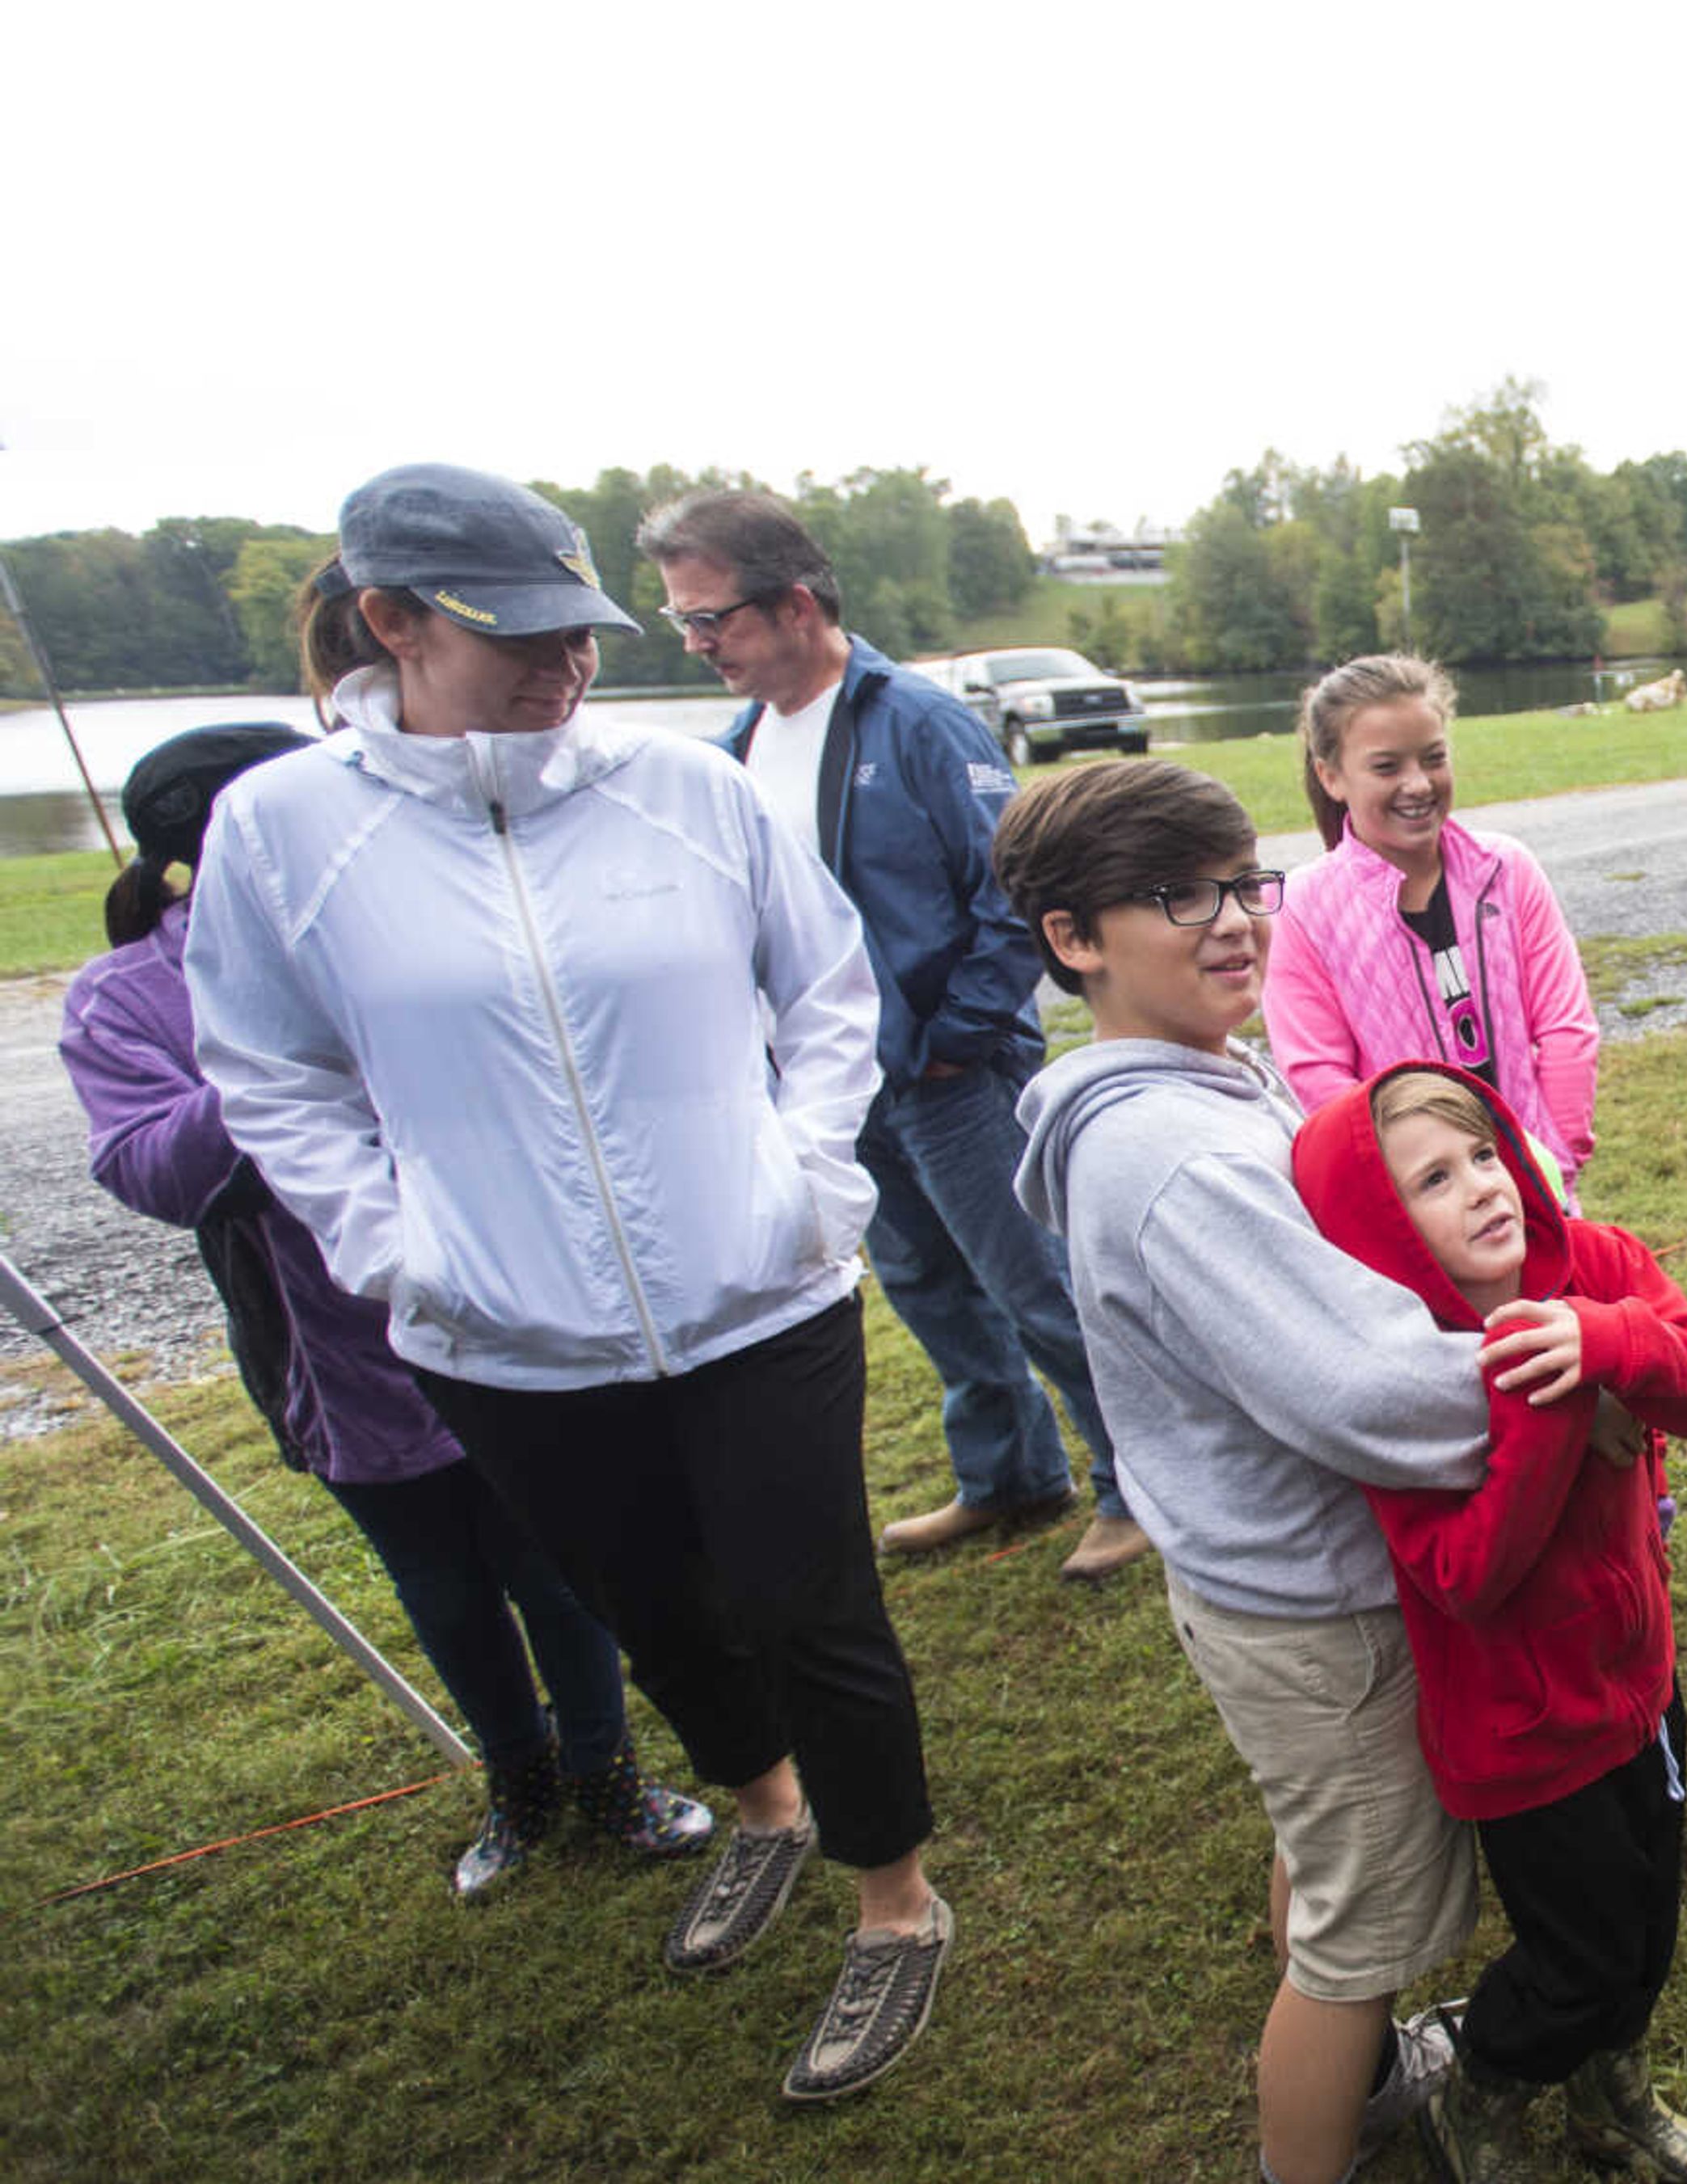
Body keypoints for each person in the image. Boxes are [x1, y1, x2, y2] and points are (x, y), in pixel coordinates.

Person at [184, 465, 954, 2103]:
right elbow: (272, 1073)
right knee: (649, 1600)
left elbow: (823, 991)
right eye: (515, 630)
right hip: (508, 1336)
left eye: (580, 625)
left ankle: (895, 1899)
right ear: (394, 622)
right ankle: (764, 1806)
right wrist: (400, 1249)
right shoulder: (285, 831)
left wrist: (810, 1185)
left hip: (761, 1293)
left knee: (811, 1603)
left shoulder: (690, 789)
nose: (567, 660)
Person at [59, 721, 712, 1901]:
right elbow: (150, 1169)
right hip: (330, 1348)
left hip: (507, 1304)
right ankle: (517, 1785)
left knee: (557, 1564)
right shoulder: (122, 996)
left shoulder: (397, 931)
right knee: (442, 1584)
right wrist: (265, 1069)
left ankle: (608, 1772)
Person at [998, 758, 1496, 2184]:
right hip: (1314, 1599)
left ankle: (1375, 2087)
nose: (1233, 922)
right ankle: (1318, 2152)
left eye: (1242, 882)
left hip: (1268, 1575)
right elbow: (1370, 1389)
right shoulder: (1171, 1154)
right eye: (1176, 896)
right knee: (1363, 1929)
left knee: (1327, 1850)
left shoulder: (1199, 1076)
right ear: (1073, 939)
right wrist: (1558, 1381)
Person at [635, 490, 1141, 1583]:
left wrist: (958, 1032)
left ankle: (1135, 1483)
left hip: (951, 1077)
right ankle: (1009, 1475)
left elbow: (1018, 884)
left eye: (712, 616)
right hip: (837, 1087)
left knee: (1036, 1283)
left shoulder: (917, 721)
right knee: (926, 1288)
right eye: (686, 619)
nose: (696, 640)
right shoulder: (736, 749)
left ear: (798, 604)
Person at [1291, 1063, 1687, 2184]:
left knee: (1647, 1929)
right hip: (1521, 1732)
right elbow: (1463, 1575)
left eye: (1487, 1152)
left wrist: (1607, 1342)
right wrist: (1545, 1398)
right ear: (1377, 1229)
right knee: (1578, 1956)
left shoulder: (1599, 1266)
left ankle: (1612, 2101)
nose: (1485, 1187)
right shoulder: (1395, 1377)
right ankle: (1484, 2090)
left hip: (1638, 1676)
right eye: (1434, 1181)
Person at [1267, 655, 1601, 1195]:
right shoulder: (1303, 910)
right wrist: (1416, 1191)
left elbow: (1567, 1029)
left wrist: (1554, 1162)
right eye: (1386, 767)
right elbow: (1321, 1081)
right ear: (1331, 776)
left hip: (1536, 1188)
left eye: (1433, 758)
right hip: (1414, 1209)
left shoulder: (1507, 871)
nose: (1418, 784)